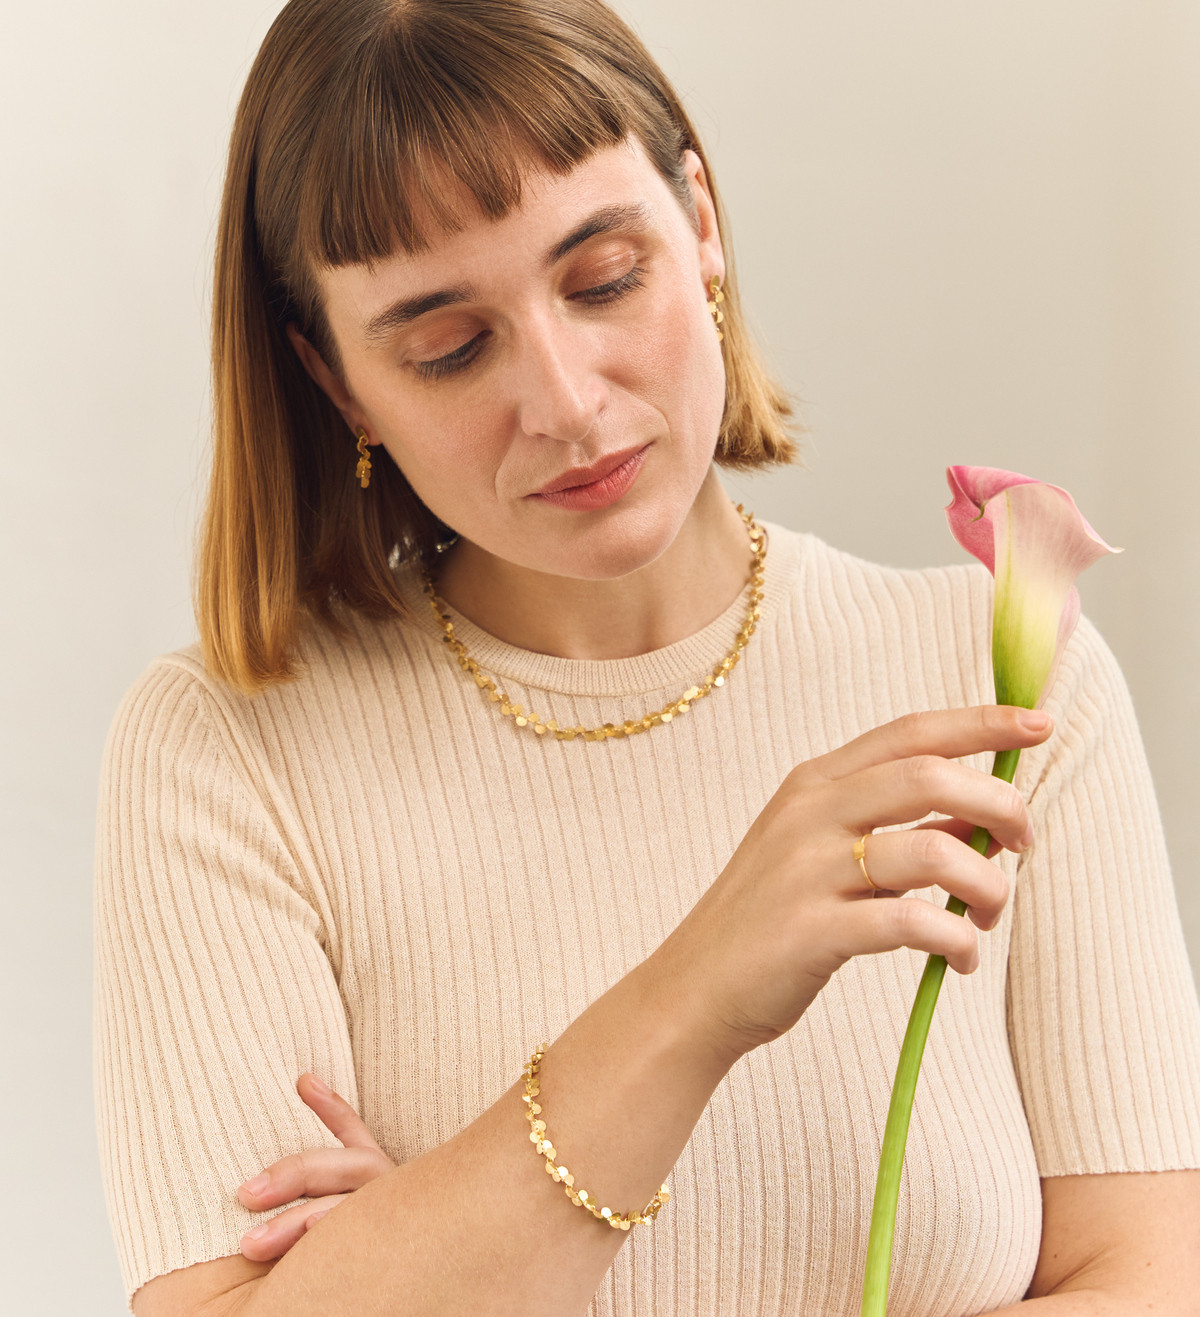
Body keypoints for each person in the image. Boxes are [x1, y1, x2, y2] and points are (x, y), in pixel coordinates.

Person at [93, 1, 1200, 1314]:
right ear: (336, 382)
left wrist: (443, 1241)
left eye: (605, 276)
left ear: (702, 223)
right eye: (449, 347)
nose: (566, 400)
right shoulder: (231, 750)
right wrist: (694, 992)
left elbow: (1156, 1279)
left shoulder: (1005, 682)